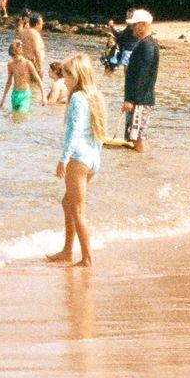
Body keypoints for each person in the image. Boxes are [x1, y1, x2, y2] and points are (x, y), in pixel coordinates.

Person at [50, 55, 111, 265]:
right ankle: (67, 251)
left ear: (79, 75)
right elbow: (100, 132)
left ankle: (86, 258)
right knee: (67, 202)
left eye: (68, 74)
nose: (64, 77)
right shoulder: (96, 97)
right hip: (93, 159)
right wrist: (95, 159)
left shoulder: (77, 98)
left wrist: (63, 159)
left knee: (77, 209)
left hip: (79, 158)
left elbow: (73, 132)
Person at [120, 9, 159, 153]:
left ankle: (142, 165)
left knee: (138, 137)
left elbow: (142, 75)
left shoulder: (146, 45)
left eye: (135, 25)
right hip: (140, 99)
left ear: (143, 25)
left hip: (140, 101)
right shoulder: (147, 43)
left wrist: (131, 99)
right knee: (137, 136)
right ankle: (139, 168)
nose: (132, 28)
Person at [1, 41, 40, 118]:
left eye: (15, 57)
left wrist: (44, 95)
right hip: (14, 94)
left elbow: (38, 78)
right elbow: (9, 81)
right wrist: (3, 99)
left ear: (20, 53)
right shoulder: (10, 64)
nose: (14, 59)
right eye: (12, 57)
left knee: (21, 116)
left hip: (25, 94)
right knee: (14, 118)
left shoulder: (27, 63)